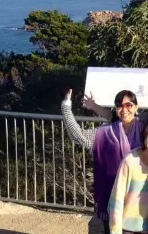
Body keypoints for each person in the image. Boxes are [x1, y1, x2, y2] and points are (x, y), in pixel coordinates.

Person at [61, 88, 143, 225]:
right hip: (112, 196)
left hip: (140, 196)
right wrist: (66, 107)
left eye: (129, 105)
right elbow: (78, 136)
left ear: (136, 107)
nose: (124, 109)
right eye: (119, 105)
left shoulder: (147, 130)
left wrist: (94, 106)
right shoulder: (105, 132)